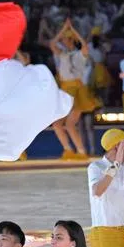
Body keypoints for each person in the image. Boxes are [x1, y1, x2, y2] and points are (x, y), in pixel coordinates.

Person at [49, 19, 95, 160]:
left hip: (77, 90)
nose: (63, 41)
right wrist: (64, 28)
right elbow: (52, 44)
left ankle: (79, 151)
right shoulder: (62, 54)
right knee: (61, 124)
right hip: (65, 90)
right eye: (63, 39)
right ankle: (72, 150)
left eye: (66, 39)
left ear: (71, 40)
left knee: (67, 124)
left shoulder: (79, 54)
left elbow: (85, 45)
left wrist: (73, 30)